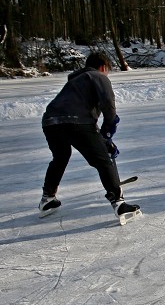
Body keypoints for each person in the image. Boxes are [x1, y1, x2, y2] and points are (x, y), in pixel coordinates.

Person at [39, 52, 141, 223]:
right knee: (104, 159)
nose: (107, 74)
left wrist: (102, 139)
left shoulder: (74, 82)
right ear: (103, 67)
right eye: (108, 70)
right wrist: (107, 135)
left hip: (50, 122)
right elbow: (109, 108)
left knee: (60, 157)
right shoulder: (98, 77)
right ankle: (118, 202)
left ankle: (47, 199)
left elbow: (79, 115)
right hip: (77, 123)